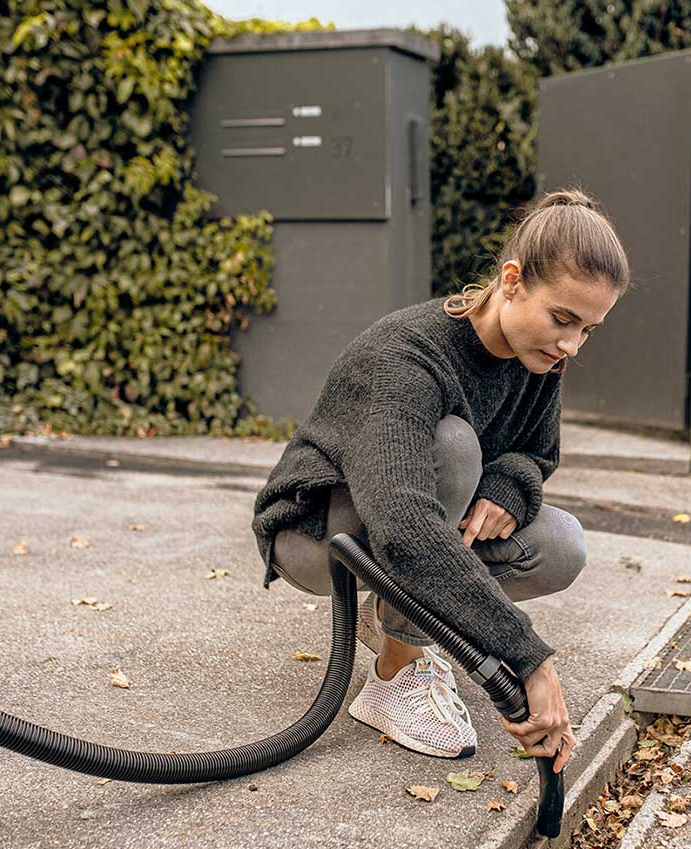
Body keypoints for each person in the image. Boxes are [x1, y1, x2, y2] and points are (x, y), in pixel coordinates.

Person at [251, 187, 630, 774]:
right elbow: (402, 525)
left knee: (560, 545)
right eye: (563, 319)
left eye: (589, 330)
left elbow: (537, 453)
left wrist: (509, 484)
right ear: (511, 281)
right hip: (318, 535)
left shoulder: (541, 356)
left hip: (400, 528)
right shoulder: (409, 355)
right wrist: (528, 657)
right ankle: (395, 674)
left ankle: (401, 623)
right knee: (452, 446)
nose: (571, 345)